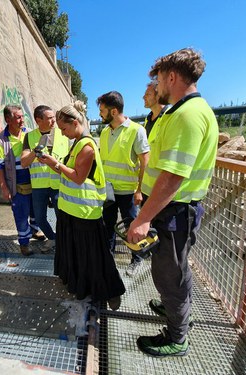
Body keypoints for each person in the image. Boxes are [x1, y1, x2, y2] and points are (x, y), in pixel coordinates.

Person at [127, 48, 218, 357]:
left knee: (170, 275)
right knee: (173, 270)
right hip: (171, 209)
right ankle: (172, 308)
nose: (157, 87)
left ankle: (177, 337)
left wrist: (142, 219)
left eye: (158, 80)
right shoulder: (178, 112)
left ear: (171, 76)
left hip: (177, 210)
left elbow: (173, 177)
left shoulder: (188, 115)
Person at [37, 101, 125, 309]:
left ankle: (108, 291)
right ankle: (79, 284)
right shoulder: (76, 143)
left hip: (85, 214)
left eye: (64, 129)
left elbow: (77, 177)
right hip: (71, 211)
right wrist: (53, 163)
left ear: (75, 122)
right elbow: (70, 172)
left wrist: (54, 163)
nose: (63, 133)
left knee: (94, 256)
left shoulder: (86, 146)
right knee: (76, 252)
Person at [96, 91, 150, 277]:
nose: (100, 114)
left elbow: (145, 162)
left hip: (128, 191)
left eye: (102, 110)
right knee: (108, 225)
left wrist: (139, 190)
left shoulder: (136, 130)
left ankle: (137, 260)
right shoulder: (104, 132)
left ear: (113, 111)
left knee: (132, 228)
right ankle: (108, 260)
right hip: (108, 190)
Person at [0, 105, 45, 257]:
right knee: (21, 213)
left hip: (35, 180)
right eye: (19, 117)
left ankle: (35, 230)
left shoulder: (29, 133)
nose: (23, 120)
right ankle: (24, 243)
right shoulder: (0, 140)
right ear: (8, 120)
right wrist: (4, 187)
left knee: (36, 208)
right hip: (17, 183)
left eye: (23, 116)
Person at [21, 105, 70, 253]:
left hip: (59, 184)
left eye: (53, 117)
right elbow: (24, 162)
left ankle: (64, 242)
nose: (53, 121)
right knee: (40, 218)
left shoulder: (63, 134)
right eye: (49, 118)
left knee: (62, 218)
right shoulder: (29, 137)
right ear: (38, 120)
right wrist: (36, 151)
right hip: (39, 186)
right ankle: (53, 239)